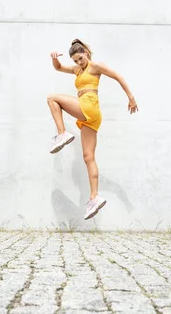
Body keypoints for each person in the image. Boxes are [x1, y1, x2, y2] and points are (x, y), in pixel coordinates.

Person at [47, 39, 139, 220]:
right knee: (88, 157)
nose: (79, 63)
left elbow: (118, 77)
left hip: (88, 105)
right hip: (92, 116)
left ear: (86, 54)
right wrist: (54, 58)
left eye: (80, 59)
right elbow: (58, 68)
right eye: (75, 61)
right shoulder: (77, 70)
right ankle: (94, 197)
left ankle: (61, 133)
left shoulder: (95, 65)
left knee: (52, 98)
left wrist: (131, 97)